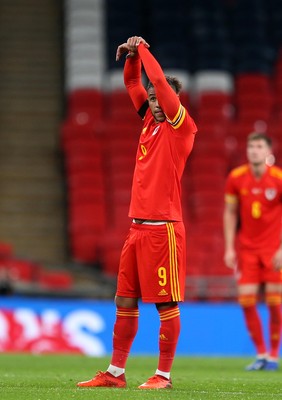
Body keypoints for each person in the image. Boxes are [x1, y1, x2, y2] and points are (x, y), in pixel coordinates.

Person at [77, 36, 197, 389]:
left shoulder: (181, 127)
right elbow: (133, 82)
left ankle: (163, 375)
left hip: (164, 230)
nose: (156, 103)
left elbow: (157, 81)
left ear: (174, 100)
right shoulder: (149, 121)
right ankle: (115, 373)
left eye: (162, 99)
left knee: (165, 306)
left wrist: (142, 48)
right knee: (124, 300)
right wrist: (131, 58)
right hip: (137, 229)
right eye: (154, 100)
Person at [223, 132, 282, 371]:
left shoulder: (278, 178)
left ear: (268, 151)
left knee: (274, 302)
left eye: (259, 146)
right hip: (247, 249)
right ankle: (260, 353)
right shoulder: (236, 177)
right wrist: (229, 247)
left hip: (273, 250)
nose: (254, 151)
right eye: (250, 146)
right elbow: (230, 212)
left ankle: (273, 355)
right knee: (246, 300)